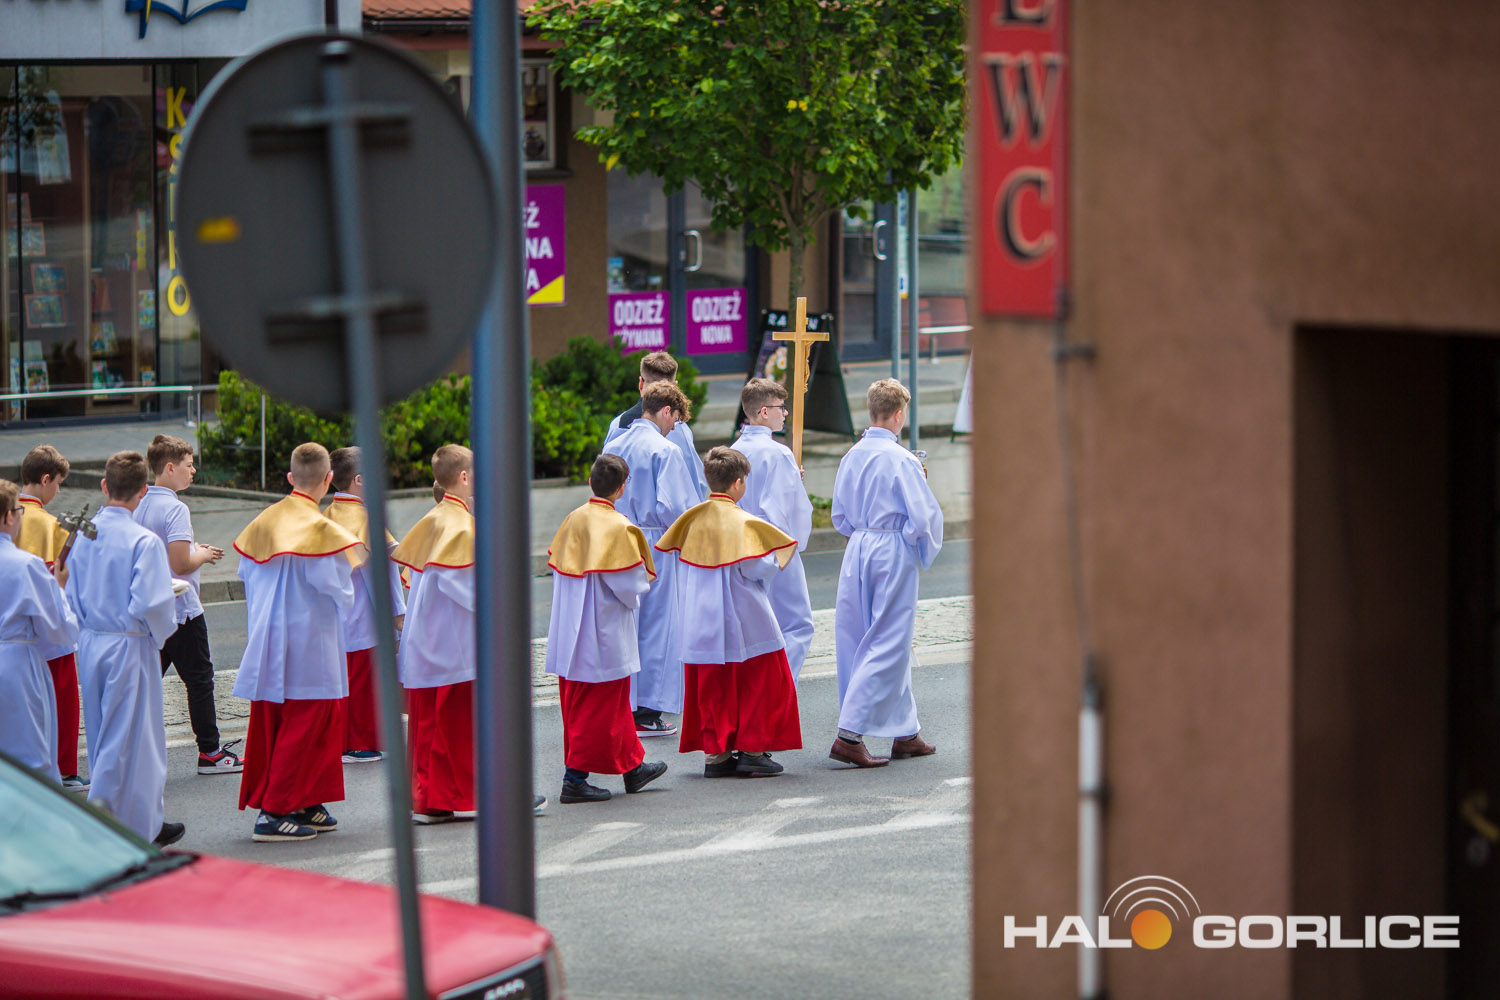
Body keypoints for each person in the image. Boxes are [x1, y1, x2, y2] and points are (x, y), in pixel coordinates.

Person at [233, 443, 364, 842]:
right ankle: (274, 811)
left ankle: (305, 800)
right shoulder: (321, 529)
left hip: (269, 636)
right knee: (309, 722)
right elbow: (336, 588)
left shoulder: (263, 521)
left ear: (290, 477)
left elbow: (245, 574)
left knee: (283, 721)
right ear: (328, 480)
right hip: (309, 640)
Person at [655, 446, 802, 778]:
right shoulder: (743, 522)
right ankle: (752, 750)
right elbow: (757, 567)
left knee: (712, 685)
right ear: (738, 483)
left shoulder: (691, 519)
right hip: (741, 613)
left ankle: (717, 756)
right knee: (761, 678)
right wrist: (774, 561)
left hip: (699, 617)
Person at [65, 452, 183, 845]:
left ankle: (141, 819)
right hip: (129, 644)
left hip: (91, 641)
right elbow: (151, 603)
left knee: (103, 732)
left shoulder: (84, 533)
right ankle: (108, 822)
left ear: (104, 486)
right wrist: (160, 632)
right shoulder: (143, 541)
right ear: (143, 491)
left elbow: (70, 590)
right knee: (133, 740)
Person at [828, 379, 944, 768]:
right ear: (898, 415)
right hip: (890, 545)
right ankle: (849, 735)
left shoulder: (852, 455)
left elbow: (840, 515)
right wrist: (914, 543)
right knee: (890, 639)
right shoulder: (902, 459)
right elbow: (922, 518)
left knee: (859, 634)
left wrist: (864, 532)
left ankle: (905, 732)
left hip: (859, 545)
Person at [545, 454, 669, 803]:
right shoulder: (619, 527)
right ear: (622, 488)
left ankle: (633, 767)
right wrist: (641, 588)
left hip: (571, 627)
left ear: (590, 482)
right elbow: (630, 584)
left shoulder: (573, 518)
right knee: (597, 707)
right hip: (601, 630)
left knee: (607, 705)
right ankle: (574, 779)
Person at [134, 434, 245, 776]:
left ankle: (130, 748)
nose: (193, 470)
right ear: (170, 468)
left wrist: (193, 548)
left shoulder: (140, 503)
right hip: (181, 608)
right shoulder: (175, 508)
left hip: (149, 609)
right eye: (188, 464)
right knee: (199, 680)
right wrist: (204, 554)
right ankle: (210, 752)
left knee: (143, 682)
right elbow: (181, 564)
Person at [603, 381, 700, 738]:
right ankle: (646, 710)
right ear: (666, 411)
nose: (674, 427)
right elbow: (676, 507)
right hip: (655, 540)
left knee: (623, 624)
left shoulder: (615, 444)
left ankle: (621, 703)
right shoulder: (665, 450)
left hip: (616, 535)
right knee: (658, 626)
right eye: (675, 419)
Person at [393, 444, 479, 824]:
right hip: (453, 644)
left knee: (431, 725)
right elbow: (464, 586)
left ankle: (429, 801)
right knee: (455, 726)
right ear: (463, 477)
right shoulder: (460, 525)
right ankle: (469, 796)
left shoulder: (437, 516)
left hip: (430, 639)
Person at [324, 446, 406, 763]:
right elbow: (384, 573)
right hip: (363, 615)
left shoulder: (328, 514)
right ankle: (357, 743)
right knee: (361, 682)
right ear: (360, 480)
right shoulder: (367, 519)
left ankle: (342, 740)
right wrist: (397, 614)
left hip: (335, 613)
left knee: (344, 680)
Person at [732, 378, 816, 680]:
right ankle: (779, 686)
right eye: (781, 407)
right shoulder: (778, 453)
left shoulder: (734, 449)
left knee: (755, 626)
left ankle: (758, 685)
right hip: (774, 542)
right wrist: (796, 542)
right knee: (797, 624)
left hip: (739, 543)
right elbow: (786, 509)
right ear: (764, 411)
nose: (786, 413)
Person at [15, 445, 84, 789]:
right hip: (48, 630)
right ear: (45, 480)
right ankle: (65, 769)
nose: (58, 491)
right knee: (63, 698)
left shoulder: (9, 515)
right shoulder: (50, 525)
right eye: (58, 483)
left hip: (12, 632)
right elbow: (63, 580)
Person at [0, 479, 78, 782]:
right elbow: (59, 629)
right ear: (9, 517)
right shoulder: (26, 565)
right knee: (31, 754)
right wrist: (58, 588)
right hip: (16, 666)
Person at [603, 351, 709, 502]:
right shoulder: (679, 429)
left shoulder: (618, 424)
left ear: (641, 383)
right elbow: (695, 484)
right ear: (674, 388)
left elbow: (605, 479)